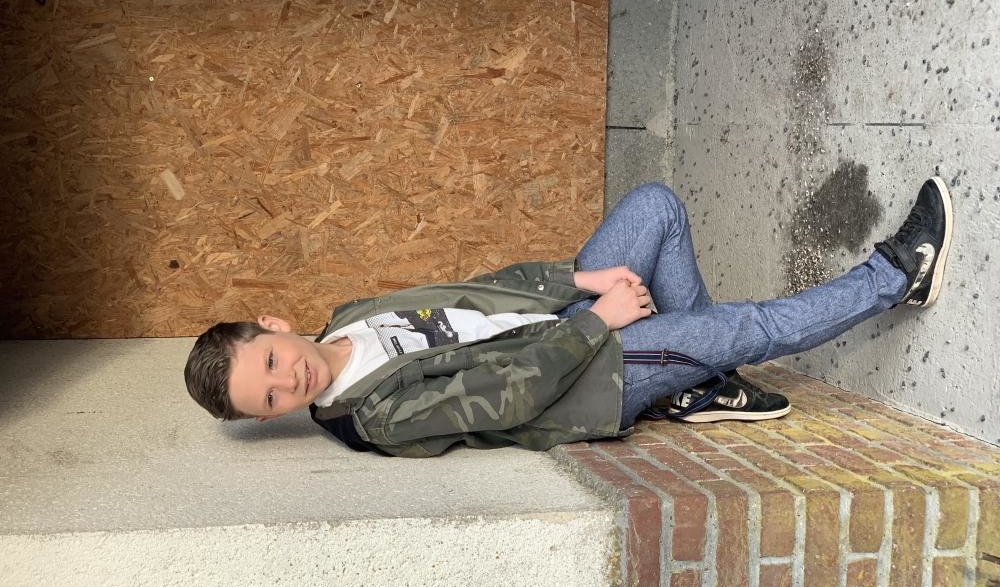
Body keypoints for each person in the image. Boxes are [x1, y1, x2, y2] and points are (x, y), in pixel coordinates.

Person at [184, 177, 953, 458]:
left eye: (271, 362)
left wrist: (579, 281)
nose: (290, 380)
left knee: (654, 206)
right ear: (270, 418)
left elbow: (480, 293)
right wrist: (602, 321)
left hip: (568, 320)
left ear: (272, 324)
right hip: (587, 380)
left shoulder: (352, 317)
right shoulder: (371, 416)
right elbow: (511, 396)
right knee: (739, 327)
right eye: (271, 399)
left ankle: (698, 384)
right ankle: (899, 275)